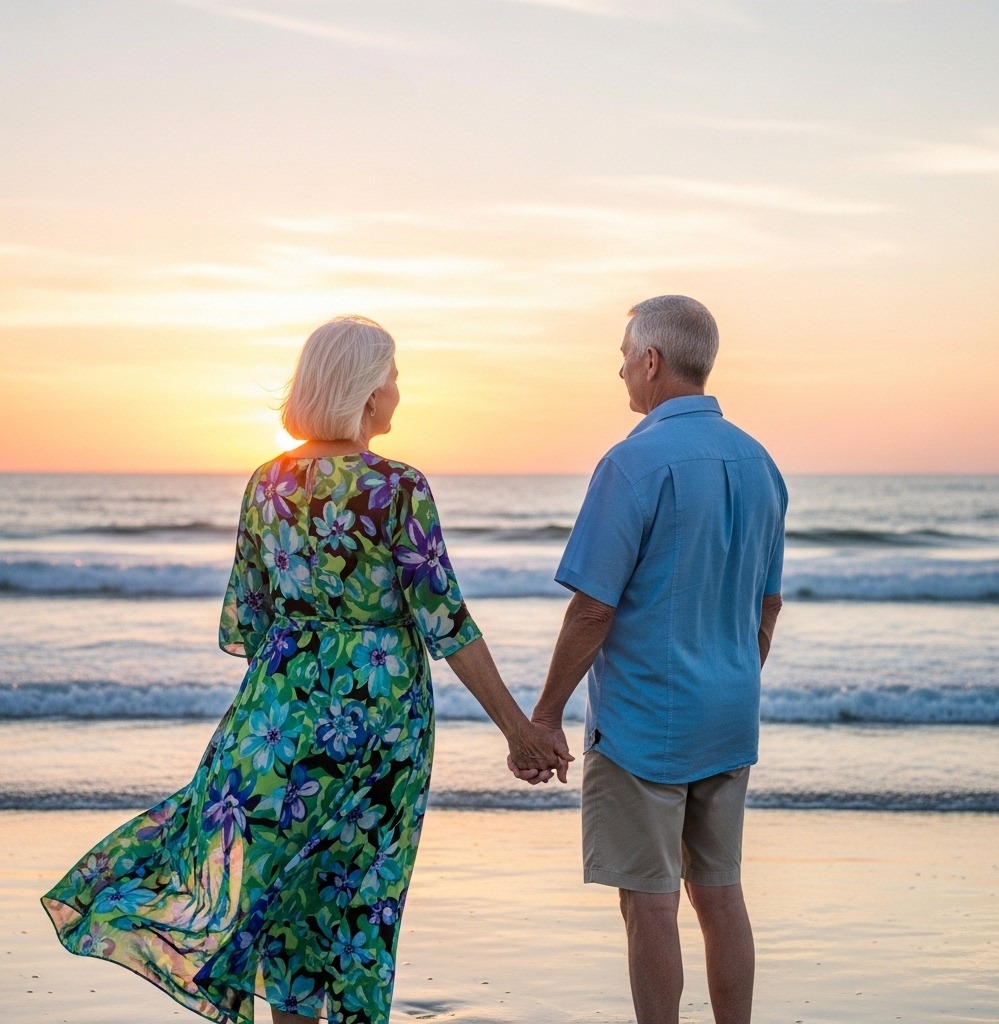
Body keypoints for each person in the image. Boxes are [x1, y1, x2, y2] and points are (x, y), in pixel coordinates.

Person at [41, 314, 569, 1024]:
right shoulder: (397, 487)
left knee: (286, 911)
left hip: (277, 720)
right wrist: (518, 730)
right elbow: (446, 622)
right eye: (393, 379)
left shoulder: (268, 483)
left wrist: (302, 669)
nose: (398, 395)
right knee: (356, 907)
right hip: (378, 731)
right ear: (366, 392)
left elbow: (247, 622)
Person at [512, 295, 786, 1024]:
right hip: (729, 715)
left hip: (644, 727)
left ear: (653, 360)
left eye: (626, 355)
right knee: (720, 892)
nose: (621, 369)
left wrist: (543, 716)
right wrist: (732, 677)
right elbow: (768, 606)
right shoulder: (761, 464)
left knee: (651, 902)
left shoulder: (632, 463)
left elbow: (594, 608)